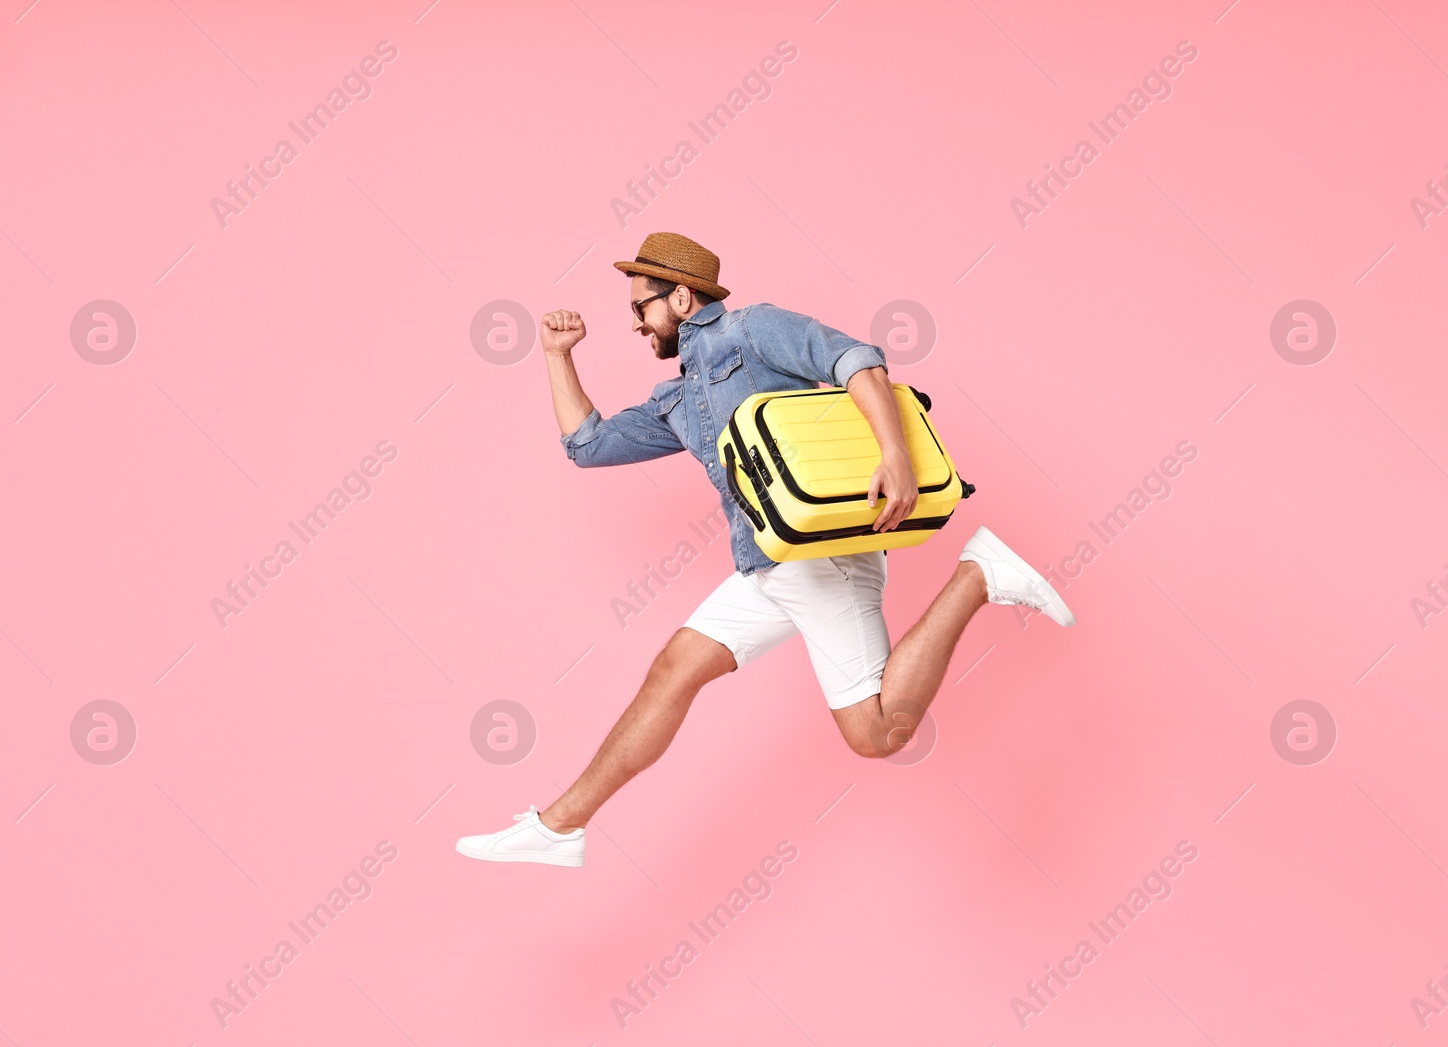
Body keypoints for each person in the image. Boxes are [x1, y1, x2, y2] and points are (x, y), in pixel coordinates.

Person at [455, 232, 1075, 867]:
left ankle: (977, 574)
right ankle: (562, 826)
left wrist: (893, 453)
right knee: (676, 668)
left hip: (817, 558)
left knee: (879, 732)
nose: (635, 324)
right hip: (766, 563)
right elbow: (588, 447)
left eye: (641, 308)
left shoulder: (753, 330)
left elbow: (855, 359)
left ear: (682, 296)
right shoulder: (677, 400)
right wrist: (557, 356)